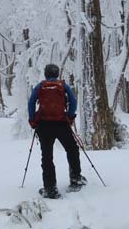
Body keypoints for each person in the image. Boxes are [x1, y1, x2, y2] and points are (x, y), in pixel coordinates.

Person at [27, 64, 86, 199]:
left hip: (44, 126)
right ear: (57, 73)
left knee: (47, 156)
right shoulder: (62, 86)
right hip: (61, 124)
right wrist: (70, 116)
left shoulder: (40, 86)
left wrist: (32, 120)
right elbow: (73, 101)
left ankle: (50, 188)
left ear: (45, 73)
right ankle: (76, 178)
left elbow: (31, 103)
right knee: (72, 149)